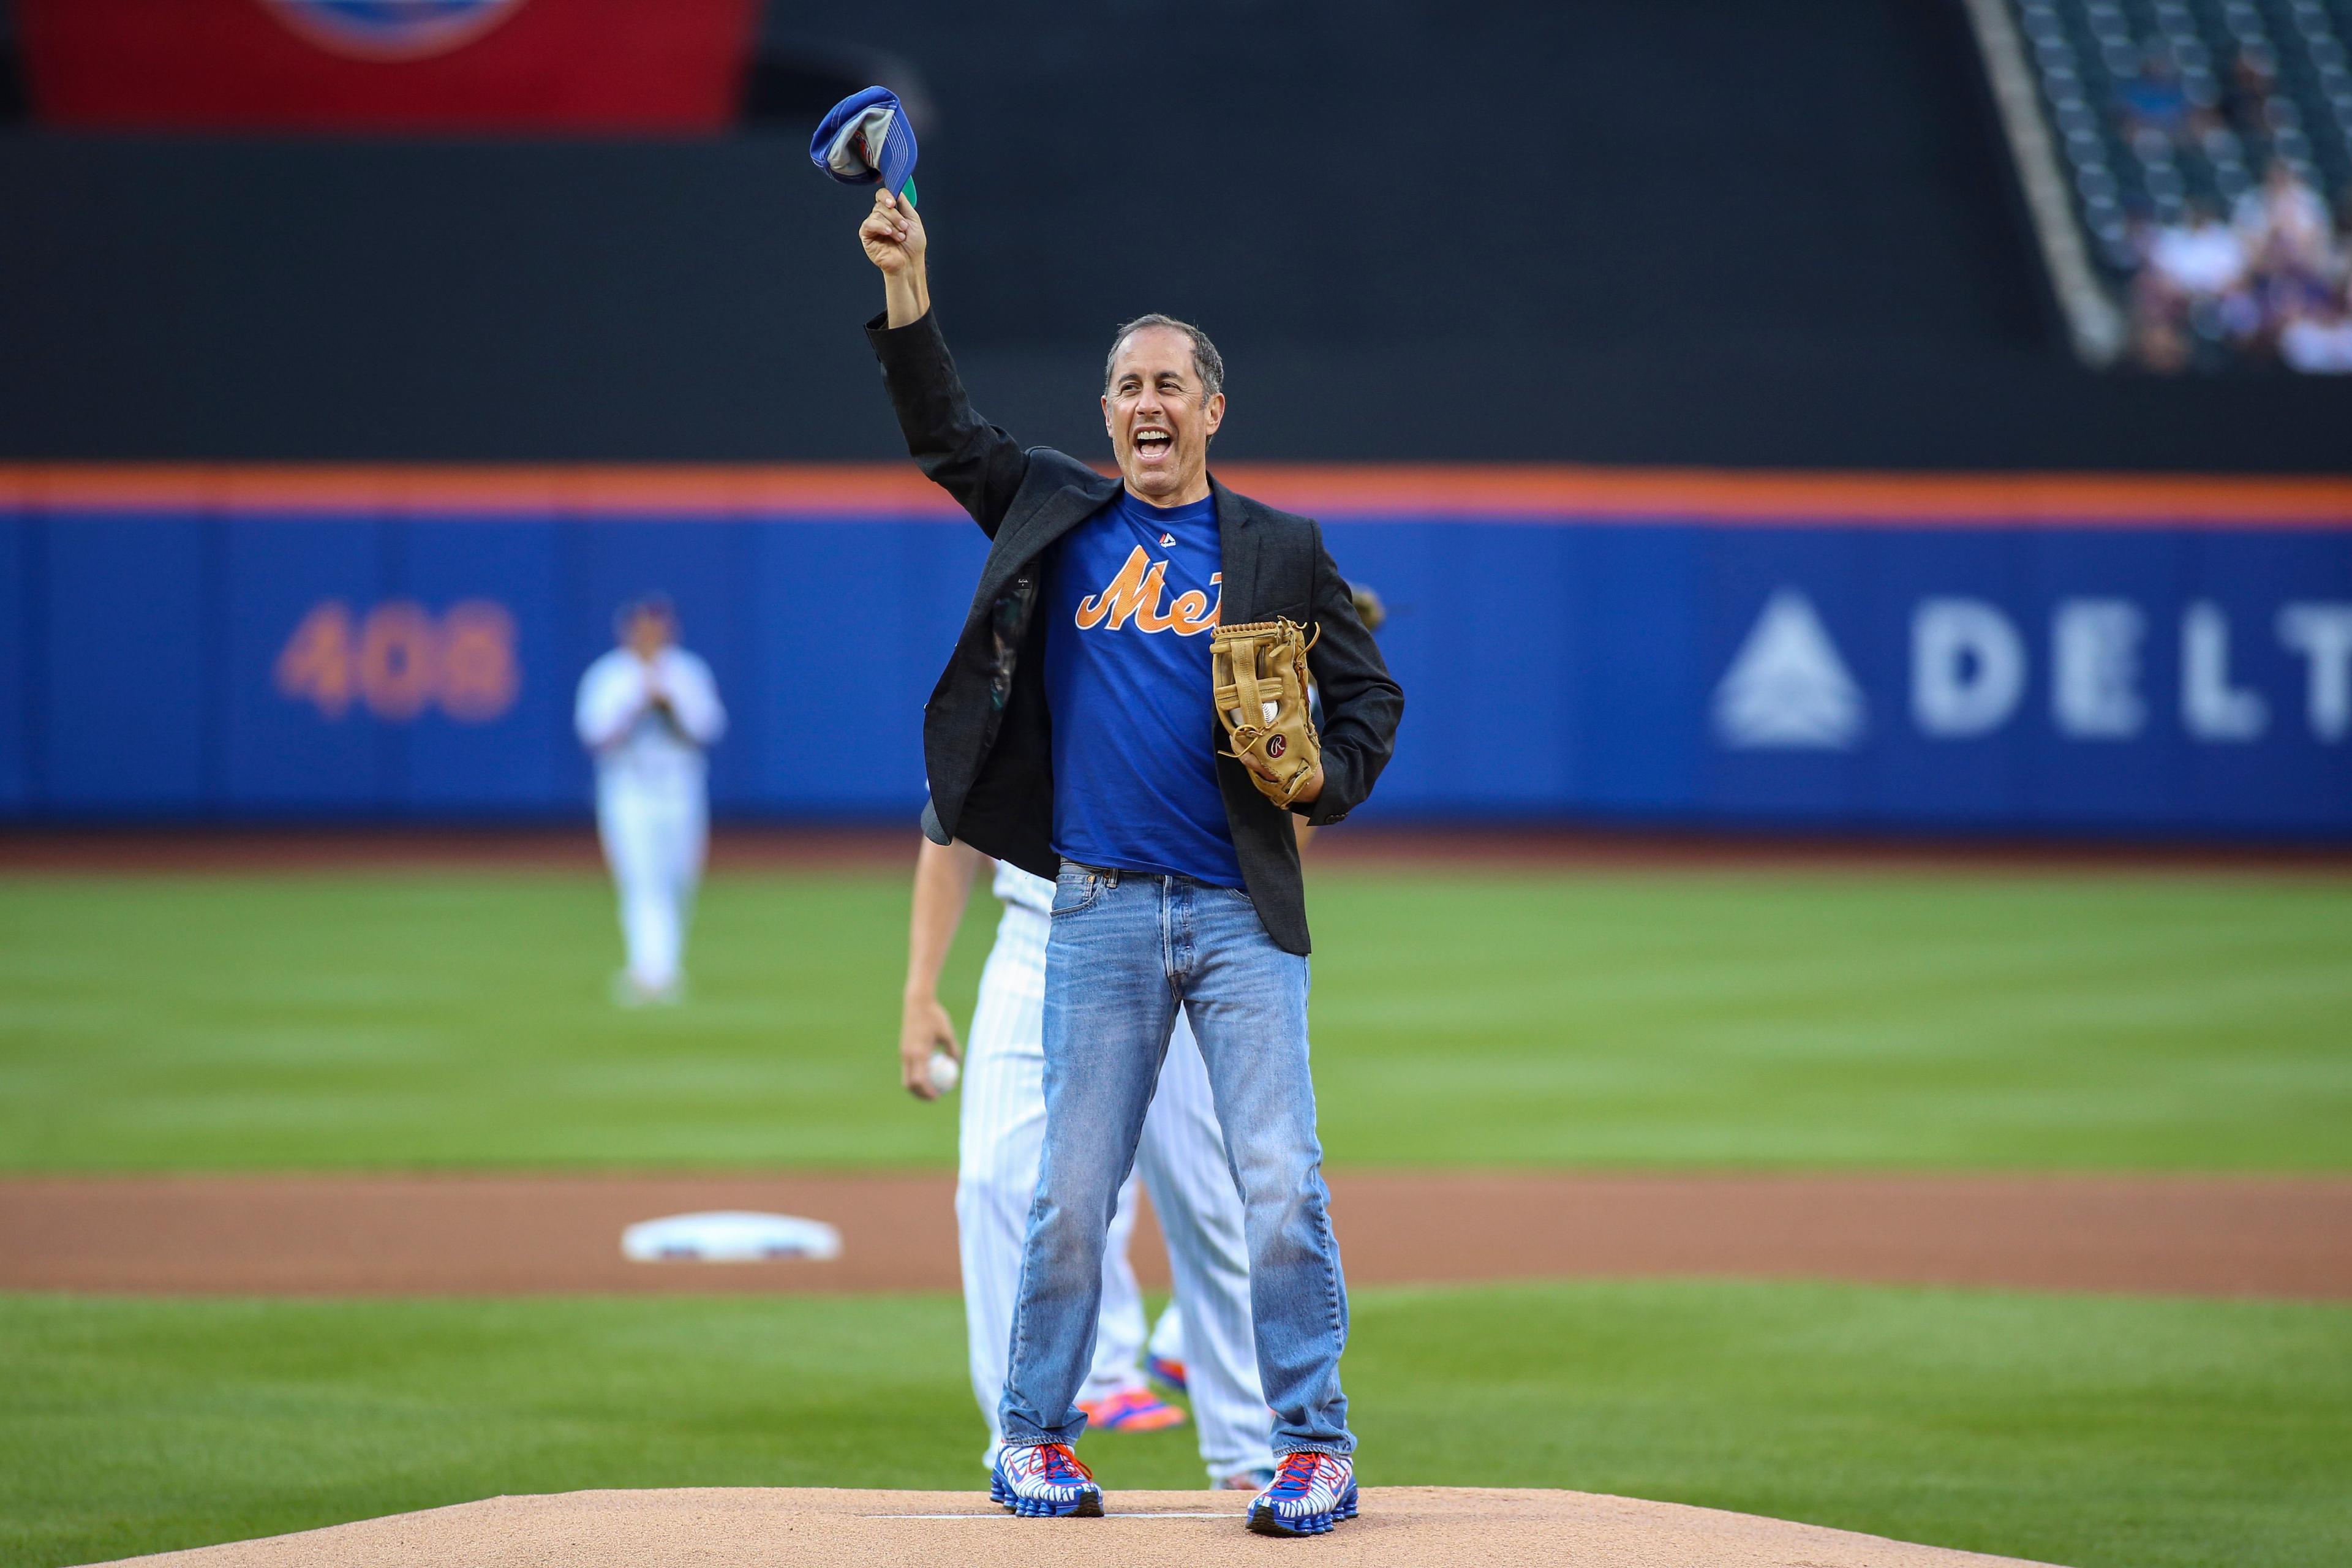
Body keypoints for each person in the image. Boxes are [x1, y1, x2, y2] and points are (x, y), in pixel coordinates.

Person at [856, 187, 1403, 1536]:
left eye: (1169, 382)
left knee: (1279, 1181)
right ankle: (1033, 1436)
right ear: (1109, 415)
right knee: (1072, 1194)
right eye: (1125, 384)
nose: (1146, 400)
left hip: (1234, 915)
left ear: (1213, 409)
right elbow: (941, 431)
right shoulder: (1058, 512)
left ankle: (1312, 1446)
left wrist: (1322, 781)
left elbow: (1370, 697)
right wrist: (910, 281)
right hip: (1090, 909)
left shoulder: (1279, 548)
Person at [902, 837, 1276, 1490]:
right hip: (1033, 934)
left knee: (1207, 1202)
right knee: (991, 1184)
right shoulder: (984, 725)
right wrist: (920, 990)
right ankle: (1015, 1445)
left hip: (1167, 923)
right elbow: (949, 826)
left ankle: (1243, 1452)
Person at [573, 597, 726, 1005]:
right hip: (629, 787)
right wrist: (637, 704)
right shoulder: (609, 675)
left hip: (679, 787)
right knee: (640, 879)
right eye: (642, 629)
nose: (651, 637)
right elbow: (595, 735)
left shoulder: (687, 672)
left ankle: (664, 964)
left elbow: (707, 729)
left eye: (657, 629)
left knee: (681, 878)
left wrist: (670, 704)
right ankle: (652, 971)